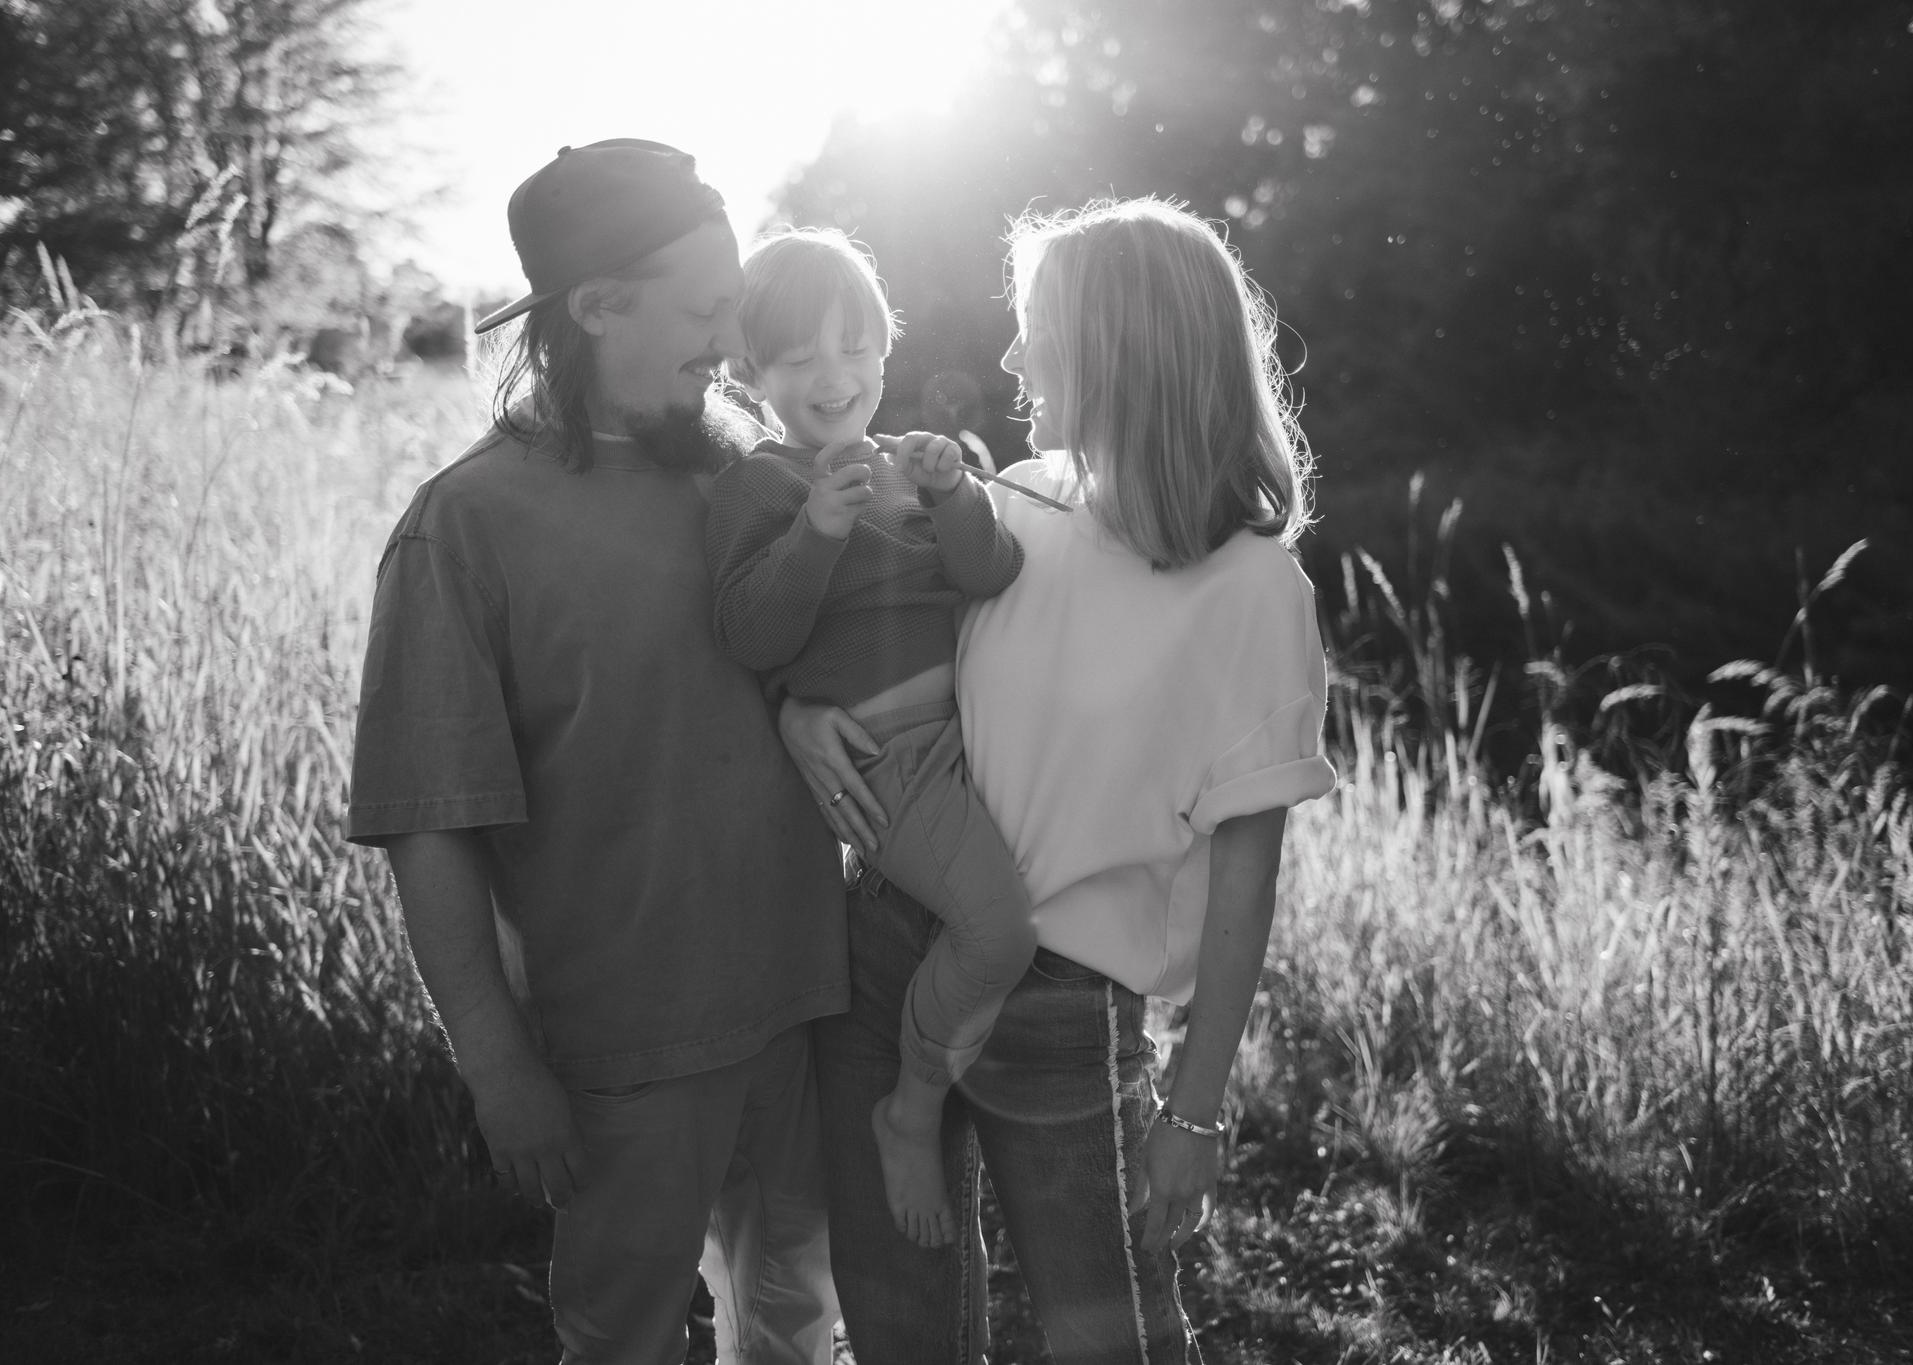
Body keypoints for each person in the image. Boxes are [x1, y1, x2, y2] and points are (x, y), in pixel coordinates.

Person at [782, 198, 1337, 1364]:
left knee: (1109, 1338)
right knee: (897, 1324)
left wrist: (1192, 1107)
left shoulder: (1249, 589)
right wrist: (798, 716)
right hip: (886, 949)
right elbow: (869, 644)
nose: (1008, 355)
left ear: (1116, 344)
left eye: (1032, 326)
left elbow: (1245, 884)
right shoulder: (1012, 503)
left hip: (1059, 1008)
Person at [345, 139, 846, 1365]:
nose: (730, 341)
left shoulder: (747, 476)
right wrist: (495, 1062)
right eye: (702, 308)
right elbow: (429, 821)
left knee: (797, 1323)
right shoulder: (465, 525)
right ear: (597, 305)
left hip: (805, 1006)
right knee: (624, 1341)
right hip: (624, 1047)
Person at [705, 228, 1031, 1250]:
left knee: (1016, 917)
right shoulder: (758, 487)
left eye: (851, 348)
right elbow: (749, 632)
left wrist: (956, 493)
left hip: (972, 739)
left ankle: (969, 1088)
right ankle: (912, 1106)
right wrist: (815, 534)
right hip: (885, 763)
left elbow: (989, 575)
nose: (830, 375)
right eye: (796, 358)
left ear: (884, 354)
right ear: (748, 374)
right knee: (998, 930)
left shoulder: (907, 465)